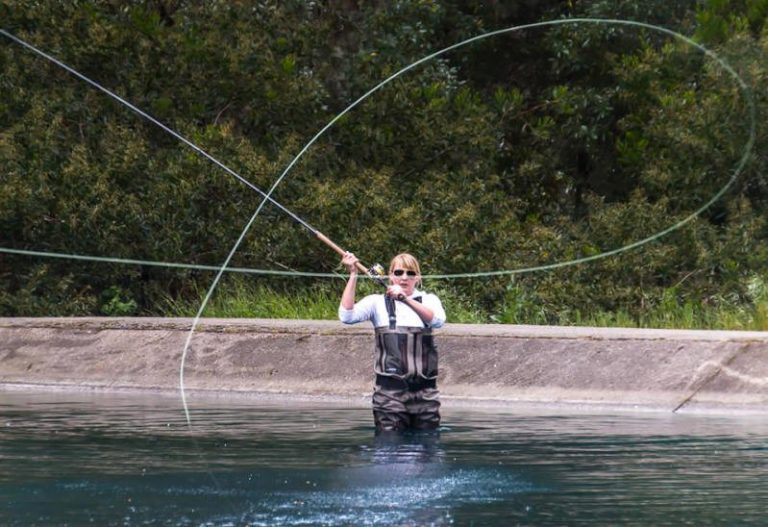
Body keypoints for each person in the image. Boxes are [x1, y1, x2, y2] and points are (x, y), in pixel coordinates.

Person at [339, 252, 446, 433]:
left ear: (417, 277)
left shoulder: (429, 300)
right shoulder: (376, 302)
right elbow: (346, 316)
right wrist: (353, 274)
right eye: (398, 273)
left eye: (410, 273)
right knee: (389, 447)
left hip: (425, 395)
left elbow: (437, 320)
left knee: (428, 449)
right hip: (388, 395)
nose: (404, 277)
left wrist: (405, 299)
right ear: (390, 275)